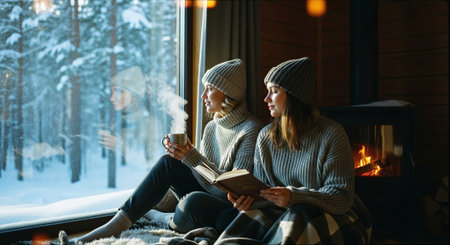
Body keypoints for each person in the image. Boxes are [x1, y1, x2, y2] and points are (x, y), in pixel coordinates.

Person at [58, 58, 263, 244]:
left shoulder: (250, 129)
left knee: (193, 202)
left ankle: (160, 217)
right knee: (168, 162)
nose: (203, 95)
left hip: (224, 206)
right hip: (205, 195)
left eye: (209, 89)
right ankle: (114, 225)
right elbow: (204, 178)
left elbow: (229, 191)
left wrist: (191, 157)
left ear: (227, 93)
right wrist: (185, 157)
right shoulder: (212, 127)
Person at [215, 57, 372, 244]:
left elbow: (341, 197)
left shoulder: (332, 133)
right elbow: (264, 195)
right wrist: (248, 201)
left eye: (274, 91)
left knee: (301, 212)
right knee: (248, 218)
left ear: (293, 95)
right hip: (282, 212)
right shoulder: (265, 137)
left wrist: (294, 196)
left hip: (334, 215)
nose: (266, 99)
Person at [98, 66, 167, 166]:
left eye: (119, 92)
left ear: (135, 95)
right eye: (112, 92)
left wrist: (119, 146)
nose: (112, 98)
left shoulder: (151, 124)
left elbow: (152, 164)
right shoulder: (119, 123)